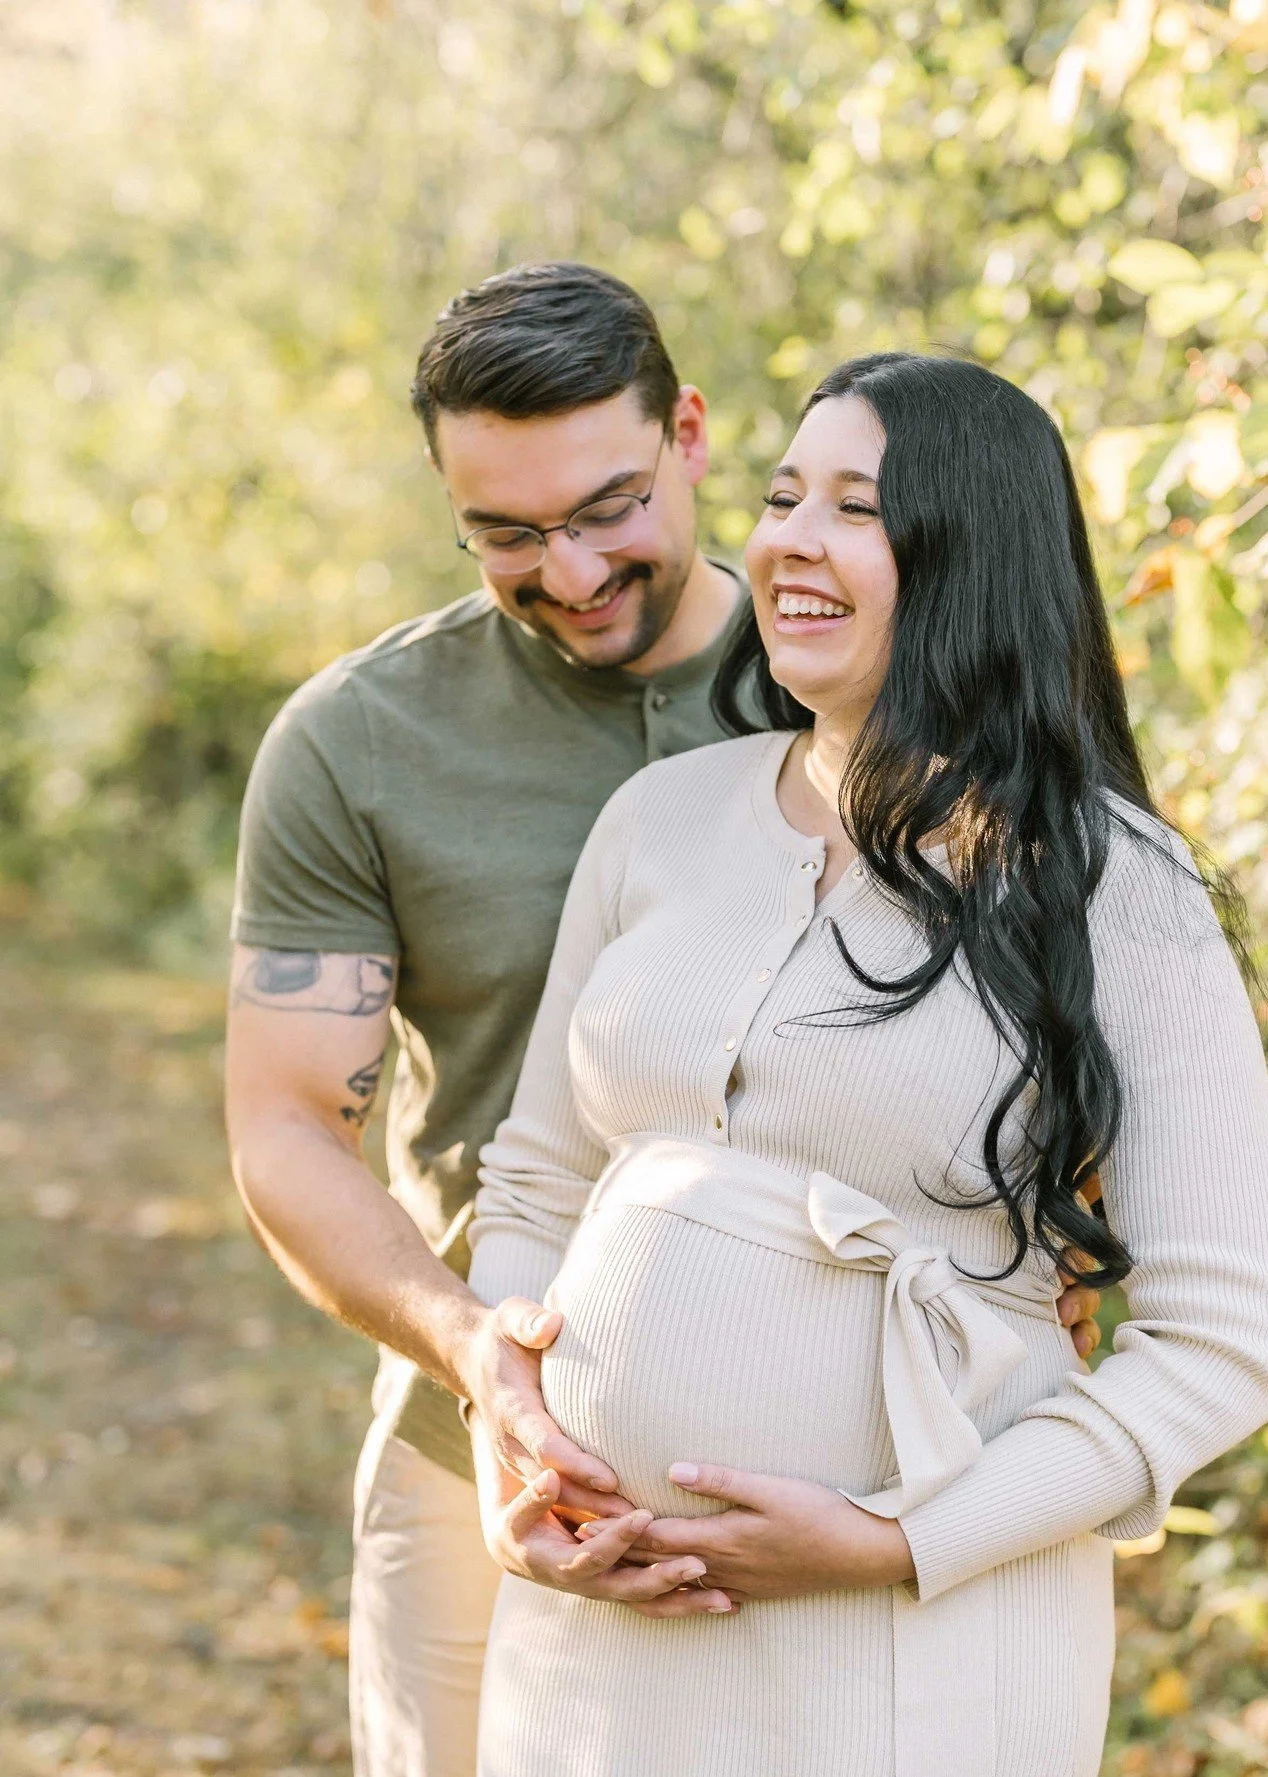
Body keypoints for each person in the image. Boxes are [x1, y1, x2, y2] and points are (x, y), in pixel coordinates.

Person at [223, 268, 1107, 1777]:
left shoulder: (864, 671)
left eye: (608, 507)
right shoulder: (355, 743)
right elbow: (288, 1126)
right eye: (507, 531)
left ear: (688, 433)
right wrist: (473, 1351)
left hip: (874, 1482)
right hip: (475, 1460)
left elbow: (1063, 990)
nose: (568, 570)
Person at [463, 353, 1268, 1776]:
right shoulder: (658, 820)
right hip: (598, 1630)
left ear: (970, 558)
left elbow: (1221, 1341)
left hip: (924, 1638)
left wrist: (897, 1542)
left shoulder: (1116, 891)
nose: (788, 534)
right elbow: (537, 1183)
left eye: (856, 506)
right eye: (784, 494)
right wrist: (514, 1432)